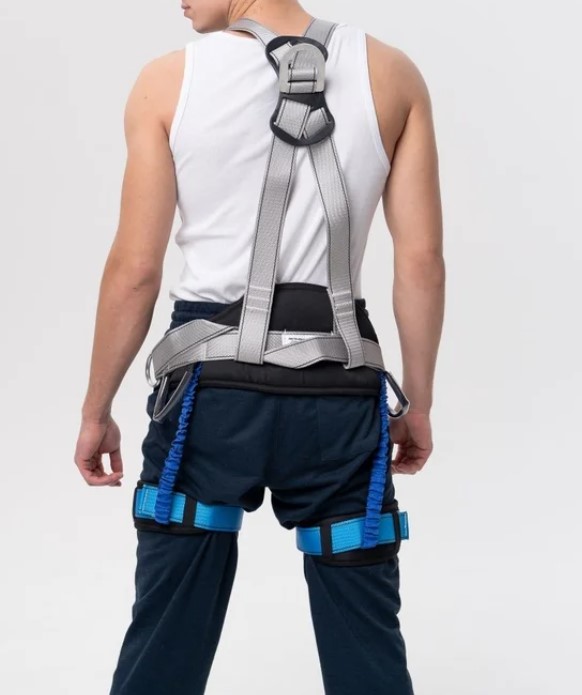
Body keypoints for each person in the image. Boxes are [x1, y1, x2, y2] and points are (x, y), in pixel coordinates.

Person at [73, 1, 445, 693]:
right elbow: (420, 261)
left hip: (207, 398)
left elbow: (135, 270)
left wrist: (97, 409)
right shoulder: (393, 74)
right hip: (340, 391)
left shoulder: (167, 82)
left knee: (167, 642)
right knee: (367, 649)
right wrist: (417, 403)